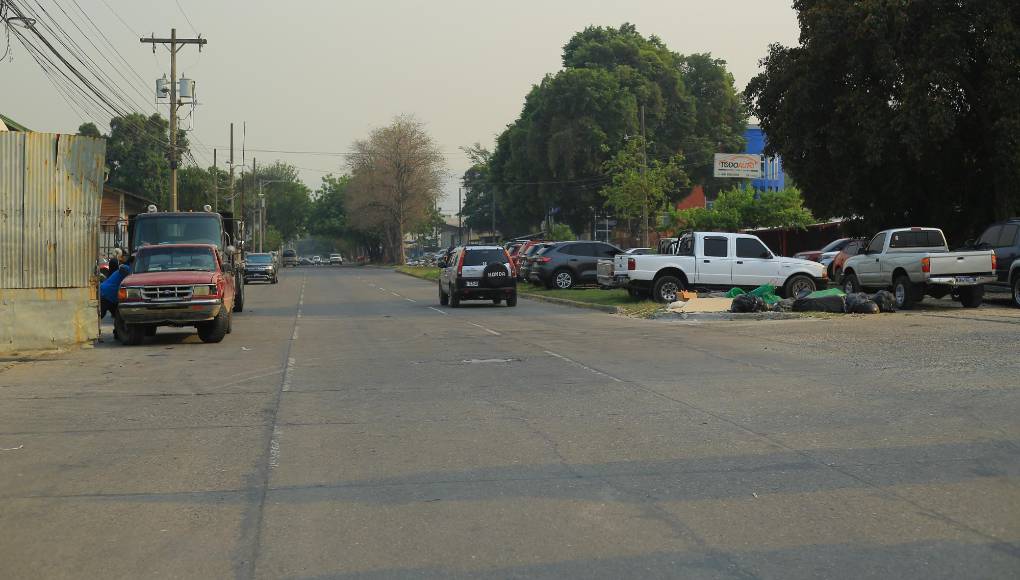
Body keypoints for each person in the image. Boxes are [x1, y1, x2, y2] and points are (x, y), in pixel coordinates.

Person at [99, 255, 134, 320]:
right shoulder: (127, 269)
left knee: (119, 317)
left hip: (108, 294)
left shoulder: (125, 268)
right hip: (107, 293)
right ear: (132, 263)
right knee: (100, 315)